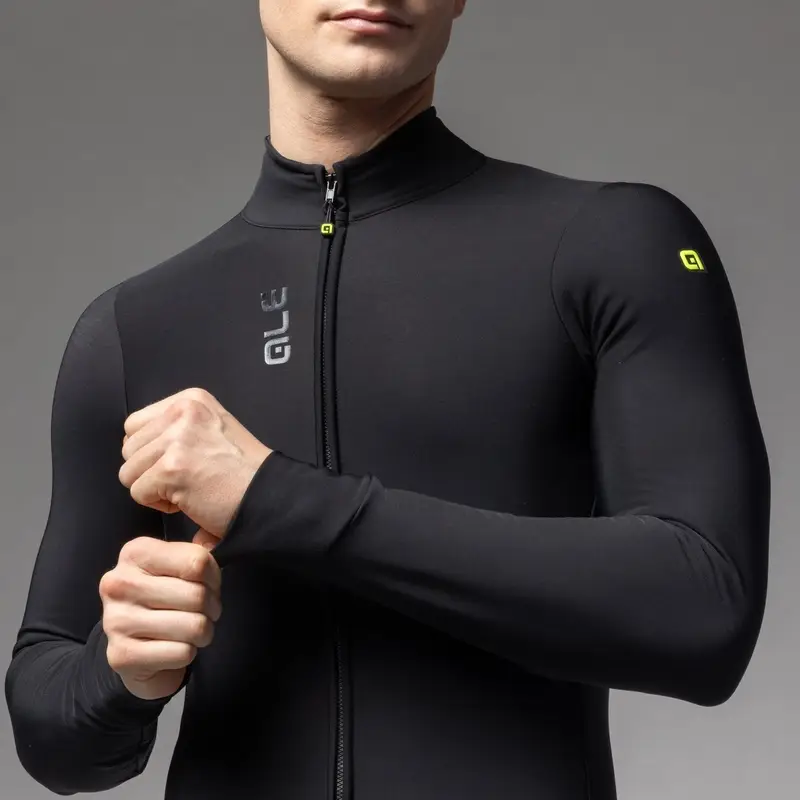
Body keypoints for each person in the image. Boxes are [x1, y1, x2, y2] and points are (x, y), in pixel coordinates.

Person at [5, 2, 771, 799]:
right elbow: (50, 737)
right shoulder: (135, 327)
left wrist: (274, 498)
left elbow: (703, 611)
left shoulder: (612, 246)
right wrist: (119, 672)